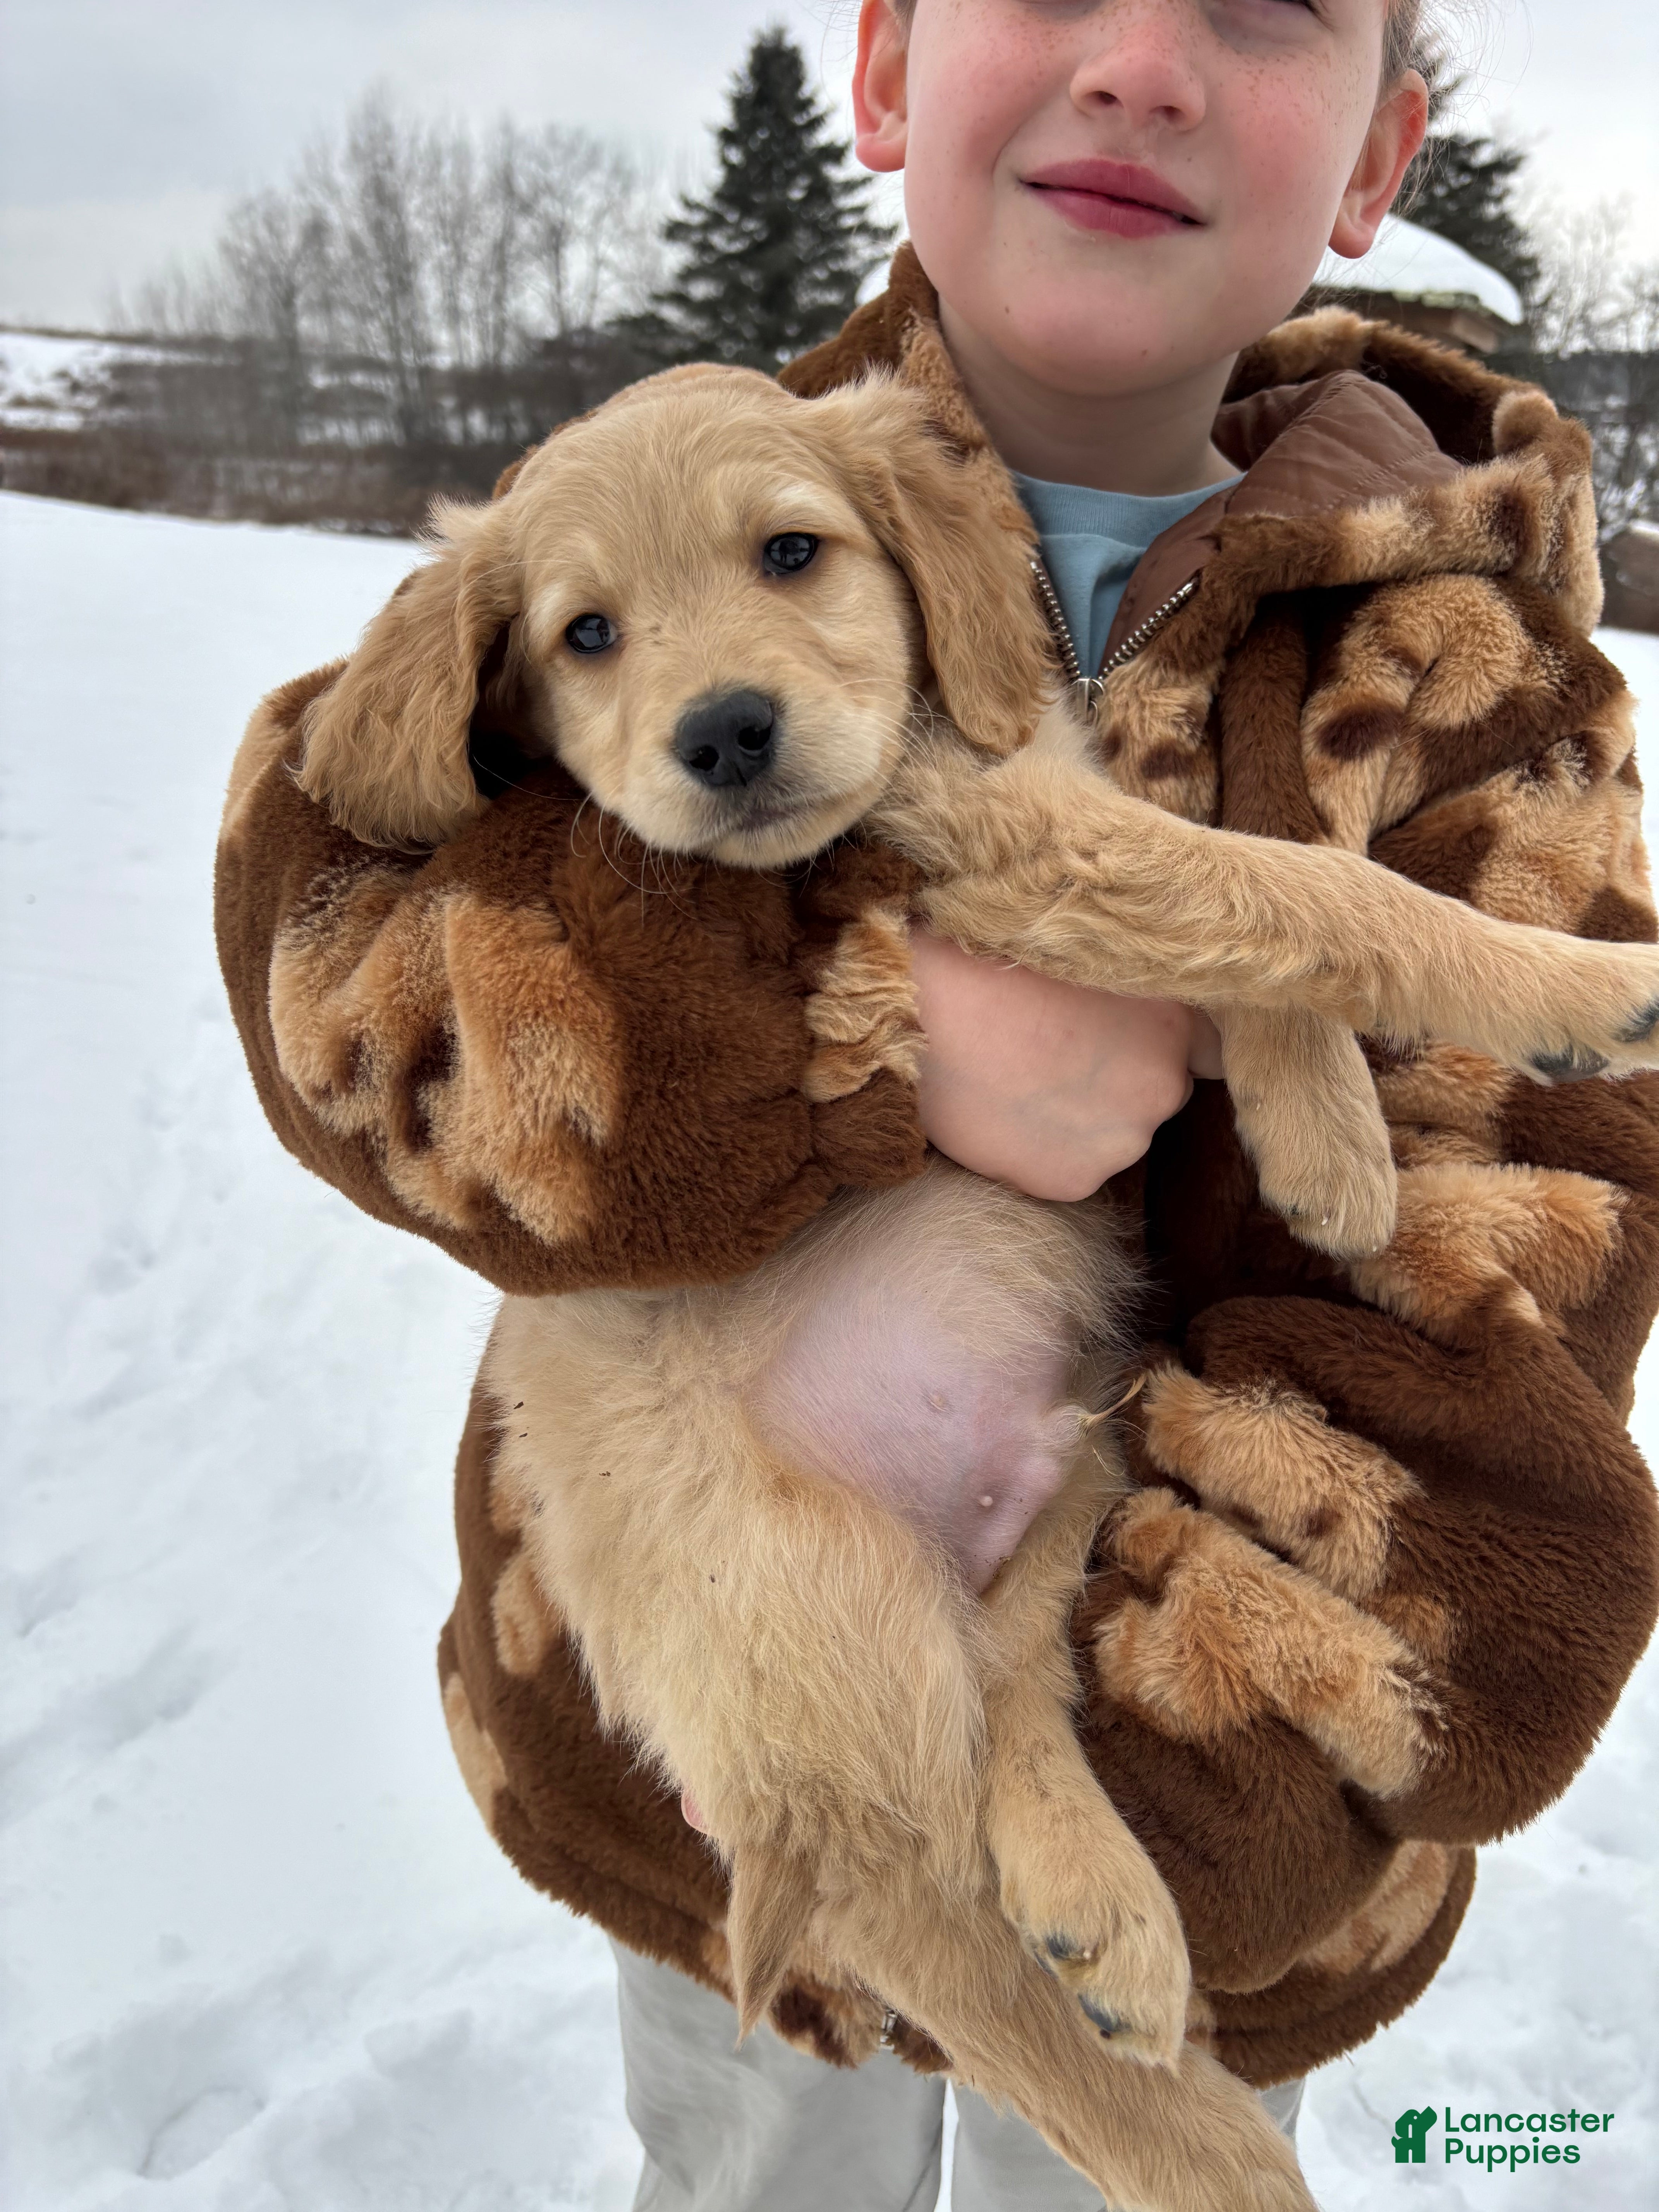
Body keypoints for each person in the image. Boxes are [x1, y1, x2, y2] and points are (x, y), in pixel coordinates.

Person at [214, 1, 1659, 2206]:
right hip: (700, 1764)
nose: (1141, 65)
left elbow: (1504, 1307)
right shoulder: (669, 478)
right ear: (887, 73)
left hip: (1204, 1790)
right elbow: (332, 908)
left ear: (1379, 160)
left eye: (1257, 8)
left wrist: (1133, 1810)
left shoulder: (1479, 692)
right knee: (766, 2166)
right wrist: (854, 1034)